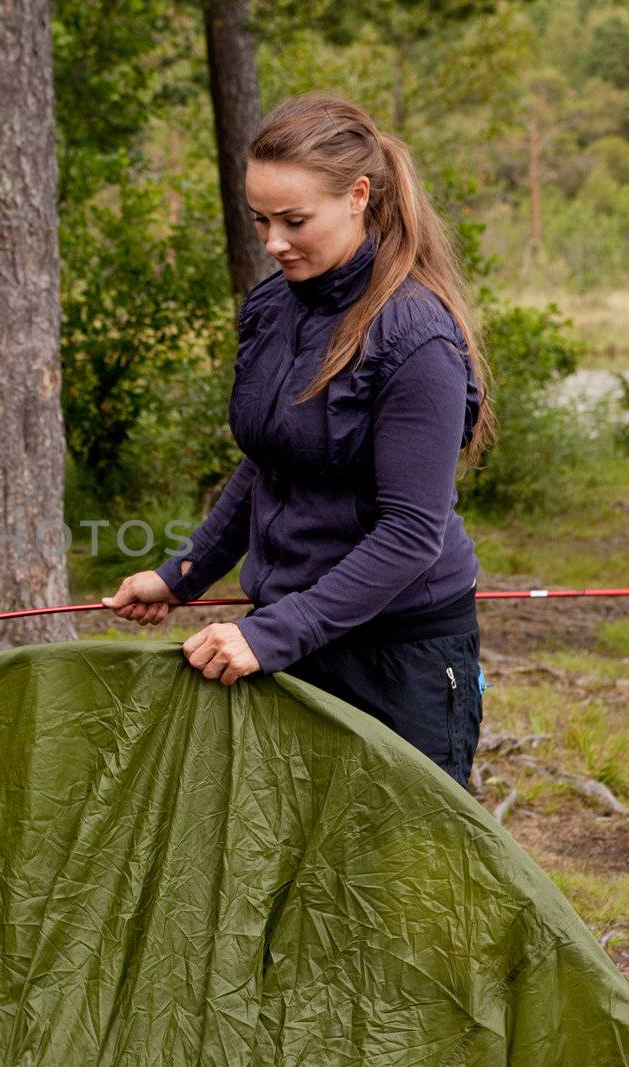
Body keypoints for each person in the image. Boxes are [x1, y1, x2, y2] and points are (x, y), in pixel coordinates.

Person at [105, 94, 494, 788]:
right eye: (261, 220)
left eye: (294, 220)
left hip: (397, 656)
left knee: (396, 875)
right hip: (291, 637)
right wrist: (184, 573)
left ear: (358, 197)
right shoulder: (272, 307)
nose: (274, 241)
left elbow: (411, 533)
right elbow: (269, 463)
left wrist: (269, 634)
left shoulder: (416, 337)